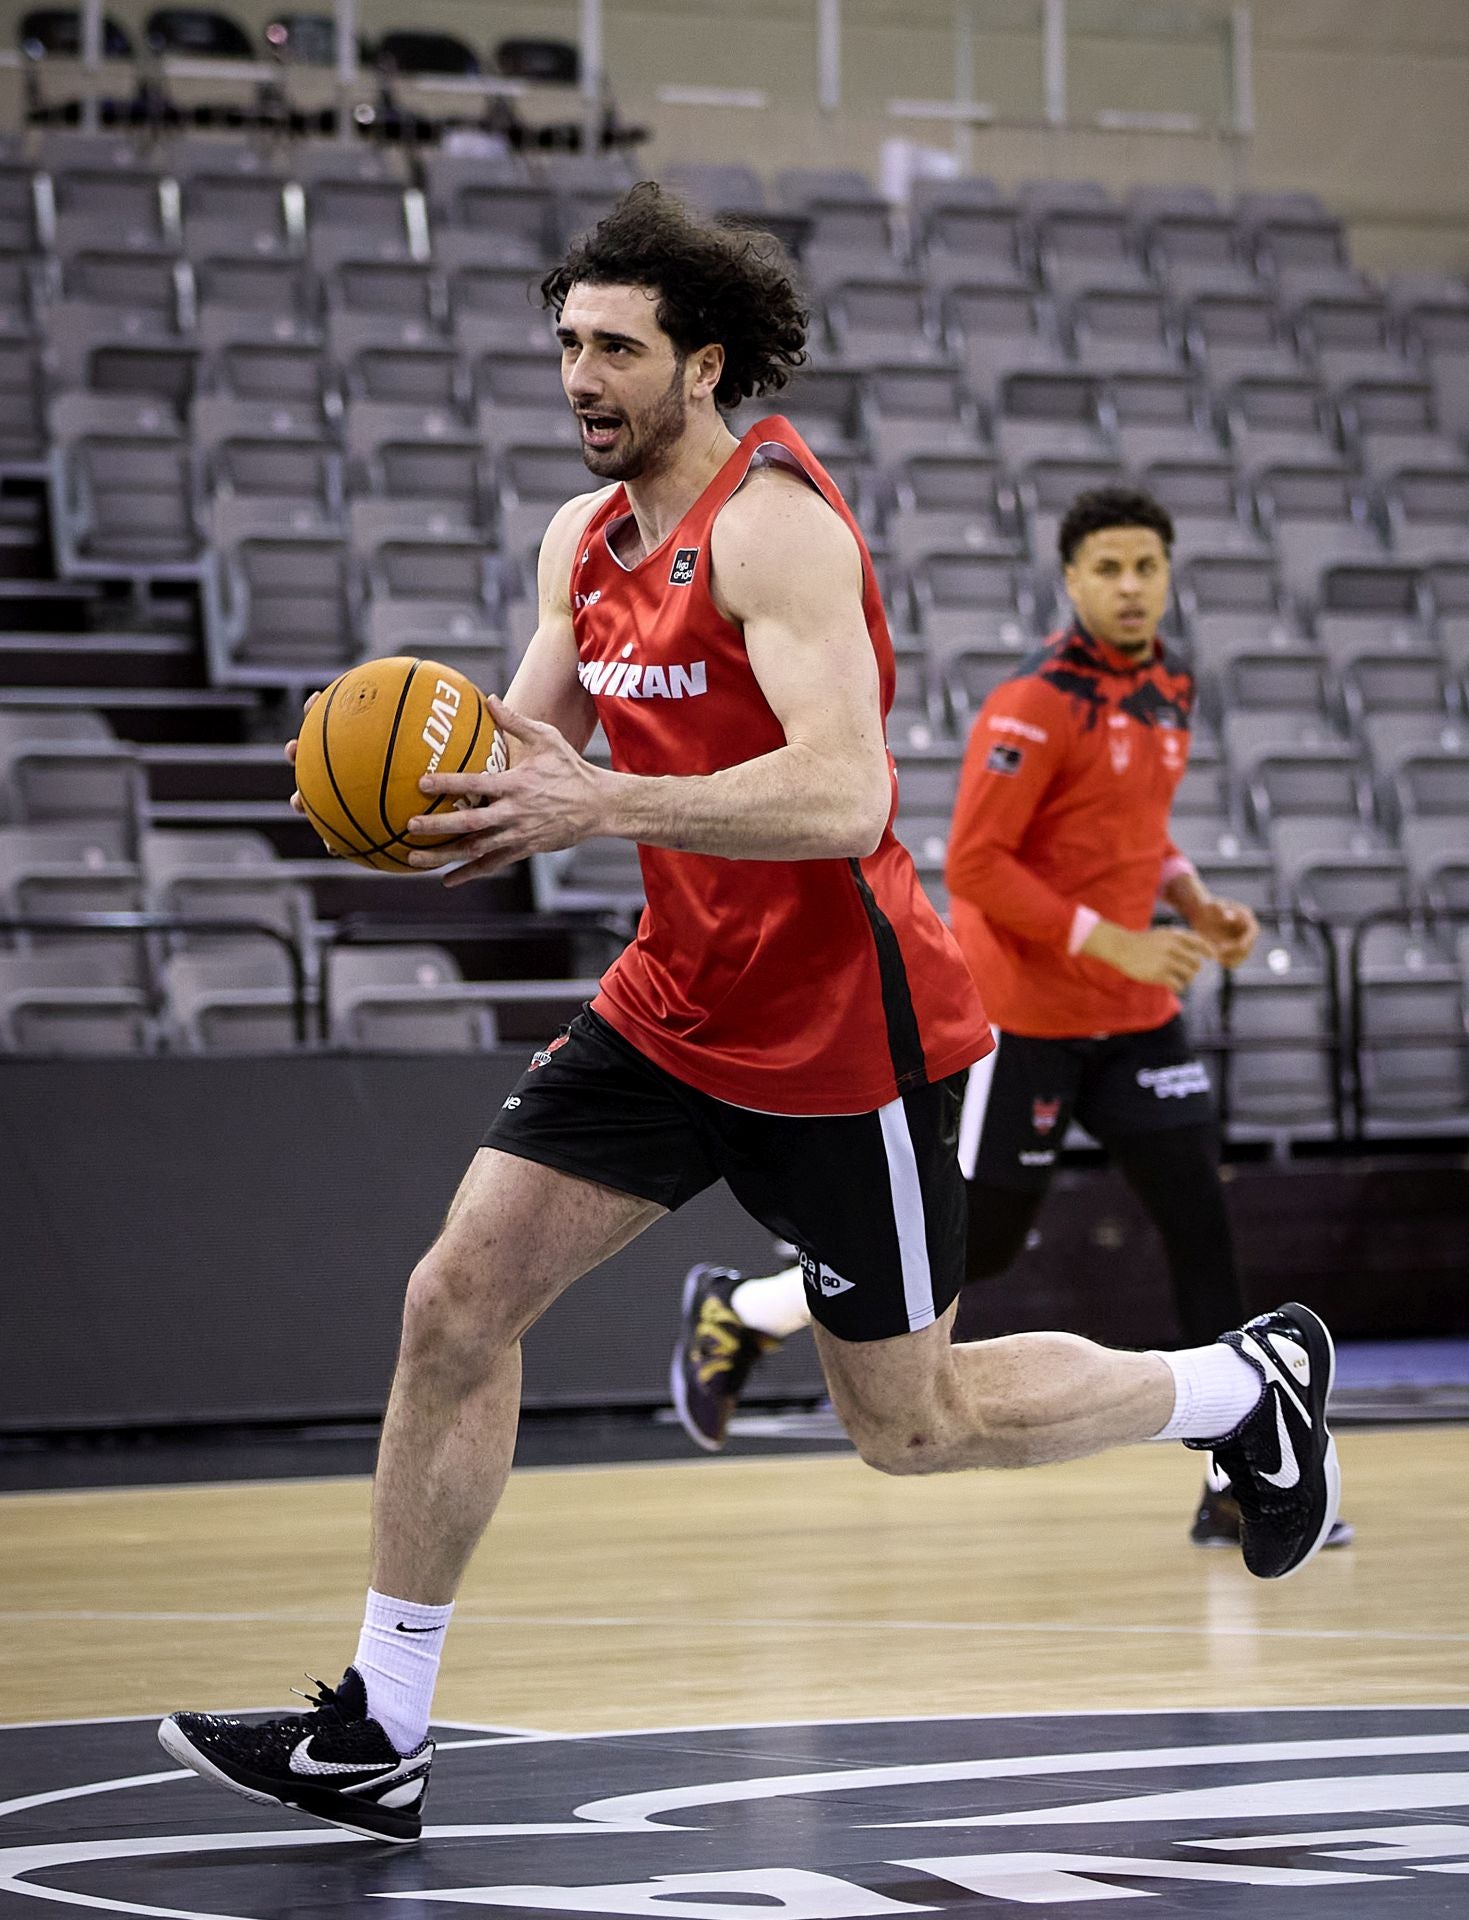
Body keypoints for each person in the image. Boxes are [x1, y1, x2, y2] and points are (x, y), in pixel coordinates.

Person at [159, 191, 1342, 1847]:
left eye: (614, 348)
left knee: (911, 1428)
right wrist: (398, 781)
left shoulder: (777, 528)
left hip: (846, 1037)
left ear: (699, 361)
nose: (579, 373)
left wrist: (598, 806)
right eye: (565, 341)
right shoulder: (582, 545)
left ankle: (1241, 1390)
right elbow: (523, 756)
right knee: (455, 1302)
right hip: (670, 1008)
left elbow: (847, 793)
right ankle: (381, 1730)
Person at [670, 486, 1352, 1553]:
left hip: (1137, 1015)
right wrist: (1112, 939)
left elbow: (1134, 830)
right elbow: (977, 865)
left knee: (1202, 1229)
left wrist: (1187, 899)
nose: (1131, 587)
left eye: (1148, 567)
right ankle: (748, 1310)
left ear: (1169, 577)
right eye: (1109, 569)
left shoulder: (1171, 685)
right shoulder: (1034, 701)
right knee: (975, 1248)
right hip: (1026, 1018)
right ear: (1072, 581)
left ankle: (1244, 1471)